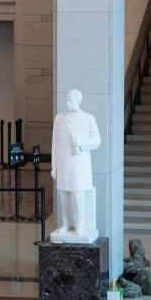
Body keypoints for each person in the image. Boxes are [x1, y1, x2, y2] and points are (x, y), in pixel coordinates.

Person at [50, 89, 101, 239]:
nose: (68, 104)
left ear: (78, 101)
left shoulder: (88, 118)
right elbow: (54, 144)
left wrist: (82, 143)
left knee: (77, 193)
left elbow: (97, 140)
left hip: (79, 163)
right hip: (63, 162)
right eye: (66, 101)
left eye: (70, 101)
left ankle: (80, 223)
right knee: (63, 194)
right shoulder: (59, 118)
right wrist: (54, 165)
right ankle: (66, 223)